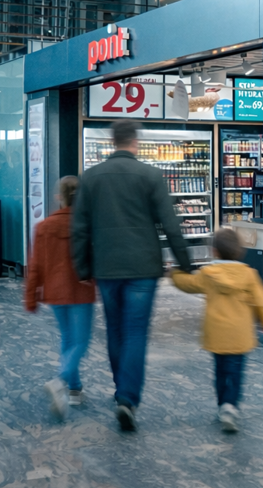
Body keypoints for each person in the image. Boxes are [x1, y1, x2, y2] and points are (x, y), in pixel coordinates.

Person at [72, 119, 193, 431]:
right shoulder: (150, 175)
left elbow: (80, 229)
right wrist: (186, 263)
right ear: (134, 142)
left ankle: (120, 391)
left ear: (113, 141)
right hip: (144, 268)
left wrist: (83, 268)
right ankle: (127, 398)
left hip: (107, 268)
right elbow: (171, 223)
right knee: (136, 332)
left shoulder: (92, 177)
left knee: (116, 331)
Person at [170, 228, 263, 432]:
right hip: (240, 335)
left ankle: (222, 404)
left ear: (214, 251)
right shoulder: (249, 275)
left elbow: (189, 284)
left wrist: (174, 273)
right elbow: (261, 300)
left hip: (217, 335)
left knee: (220, 371)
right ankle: (230, 406)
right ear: (240, 251)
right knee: (235, 372)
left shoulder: (208, 274)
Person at [25, 176, 95, 420]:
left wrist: (31, 296)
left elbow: (34, 266)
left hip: (55, 292)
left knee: (68, 338)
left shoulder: (43, 227)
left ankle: (75, 390)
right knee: (81, 342)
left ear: (58, 197)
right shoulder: (87, 225)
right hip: (82, 289)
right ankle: (61, 380)